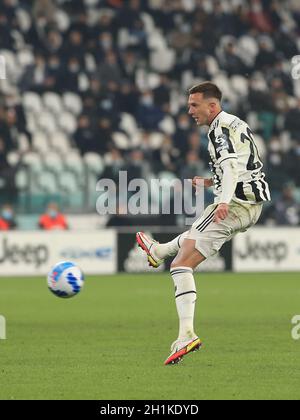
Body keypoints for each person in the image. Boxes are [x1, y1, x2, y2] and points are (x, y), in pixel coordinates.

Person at [136, 82, 271, 365]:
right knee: (192, 237)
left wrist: (222, 199)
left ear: (212, 105)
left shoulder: (219, 130)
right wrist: (212, 182)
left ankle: (187, 334)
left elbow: (232, 165)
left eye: (194, 105)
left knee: (181, 265)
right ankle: (158, 251)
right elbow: (246, 165)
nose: (189, 111)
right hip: (247, 203)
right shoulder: (233, 123)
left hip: (235, 204)